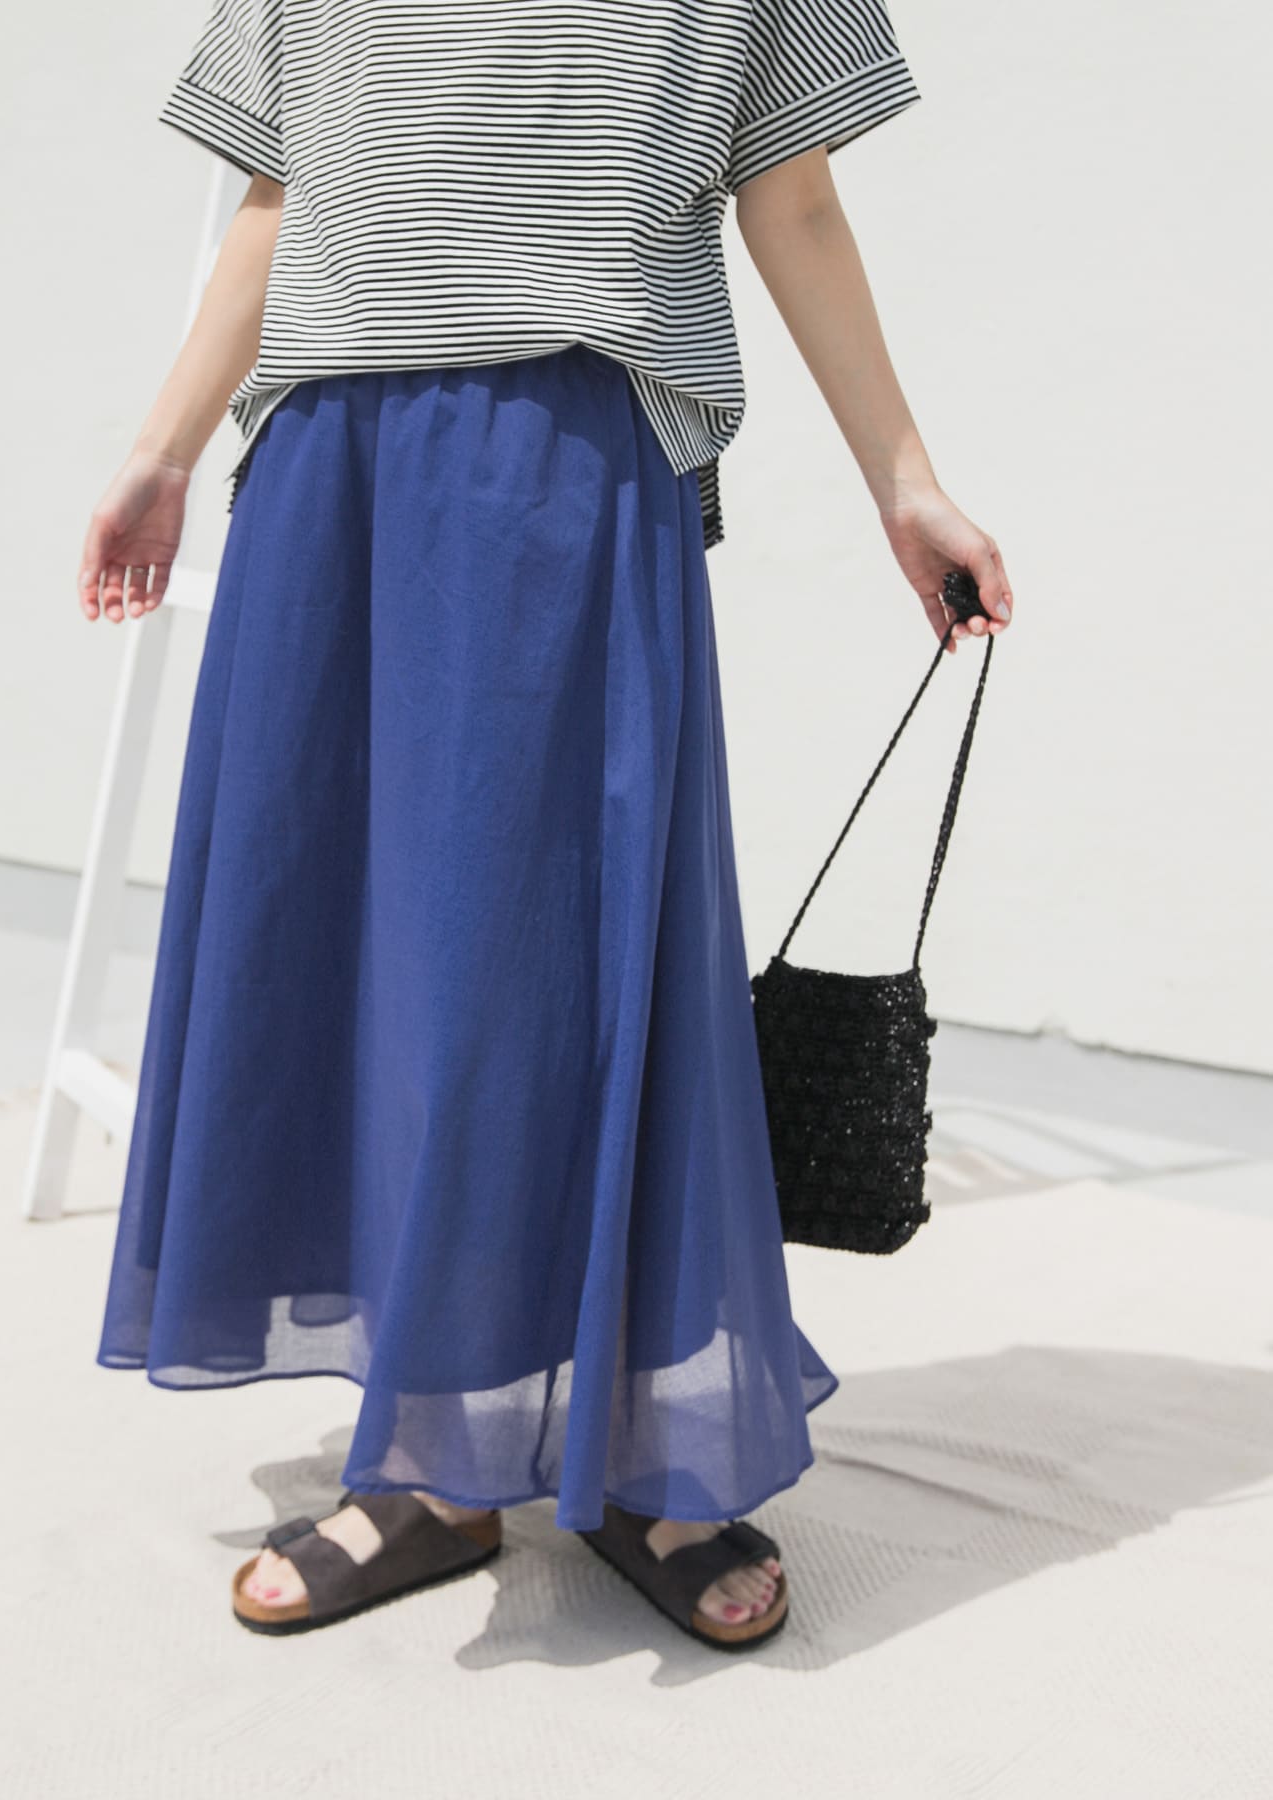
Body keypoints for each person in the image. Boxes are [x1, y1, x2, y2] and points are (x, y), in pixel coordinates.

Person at [83, 0, 1013, 1653]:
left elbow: (792, 197)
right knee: (365, 966)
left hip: (565, 458)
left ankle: (646, 1442)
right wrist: (159, 449)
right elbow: (281, 201)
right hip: (329, 467)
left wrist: (905, 478)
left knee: (561, 971)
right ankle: (436, 1454)